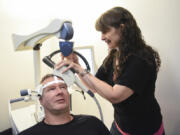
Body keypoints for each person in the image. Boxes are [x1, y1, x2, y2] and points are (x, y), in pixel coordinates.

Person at [55, 7, 165, 135]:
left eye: (105, 31)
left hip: (145, 129)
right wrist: (77, 66)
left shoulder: (140, 58)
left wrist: (82, 70)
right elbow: (94, 86)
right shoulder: (115, 55)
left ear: (122, 28)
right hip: (120, 125)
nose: (102, 37)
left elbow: (115, 96)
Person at [18, 74, 111, 135]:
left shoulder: (92, 123)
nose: (59, 92)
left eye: (63, 87)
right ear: (40, 100)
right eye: (51, 89)